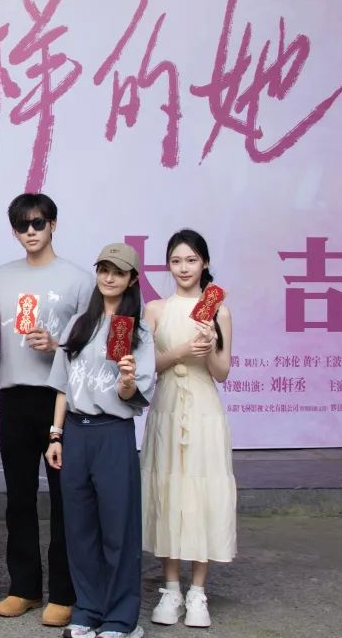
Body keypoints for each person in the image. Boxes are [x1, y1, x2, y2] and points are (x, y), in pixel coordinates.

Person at [0, 193, 91, 627]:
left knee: (65, 500)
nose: (30, 231)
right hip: (13, 397)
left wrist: (57, 345)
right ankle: (24, 587)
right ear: (13, 231)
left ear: (53, 225)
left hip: (58, 398)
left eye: (38, 223)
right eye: (22, 225)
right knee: (19, 498)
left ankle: (64, 592)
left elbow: (92, 346)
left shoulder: (79, 280)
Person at [45, 243, 156, 638]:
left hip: (112, 433)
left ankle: (121, 618)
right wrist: (55, 434)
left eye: (118, 272)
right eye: (104, 269)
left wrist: (126, 381)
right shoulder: (79, 323)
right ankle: (88, 610)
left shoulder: (138, 331)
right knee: (80, 529)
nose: (109, 278)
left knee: (118, 529)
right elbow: (62, 385)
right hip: (76, 432)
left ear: (132, 279)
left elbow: (134, 394)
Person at [141, 229, 236, 630]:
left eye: (191, 260)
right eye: (176, 261)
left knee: (201, 491)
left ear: (205, 264)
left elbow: (222, 372)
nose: (183, 268)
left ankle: (198, 592)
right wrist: (180, 351)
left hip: (203, 409)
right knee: (168, 490)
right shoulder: (155, 309)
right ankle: (171, 588)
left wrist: (210, 345)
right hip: (166, 406)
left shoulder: (218, 311)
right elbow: (147, 366)